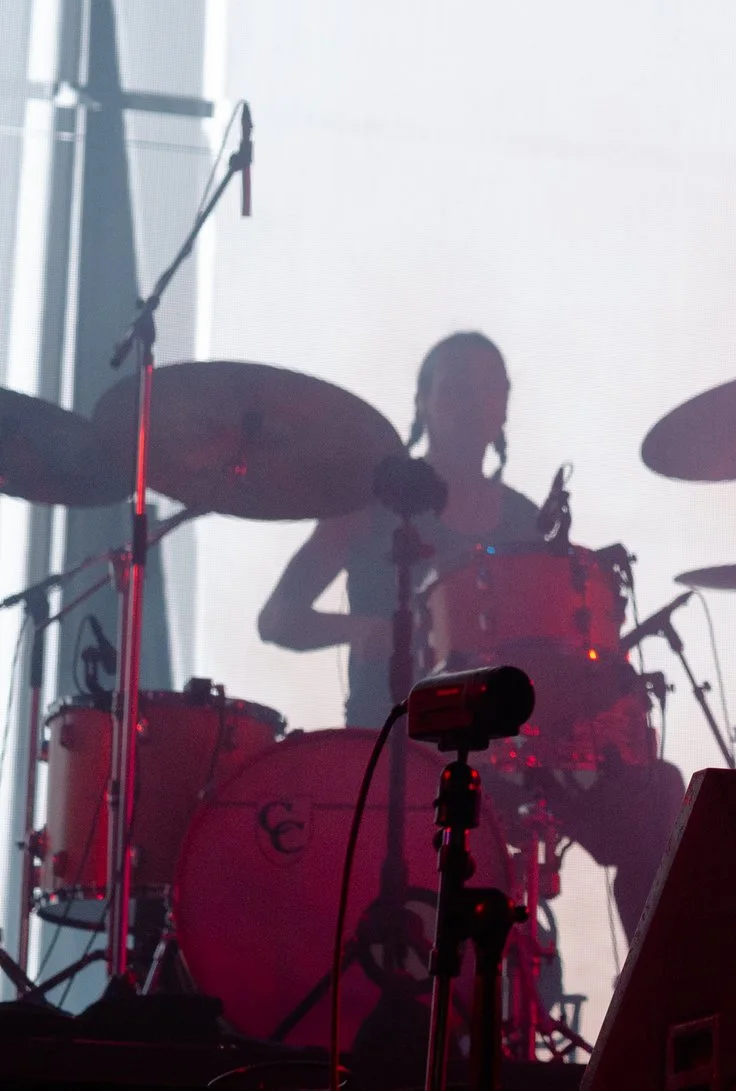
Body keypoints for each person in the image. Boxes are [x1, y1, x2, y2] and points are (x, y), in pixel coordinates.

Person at [257, 331, 684, 936]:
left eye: (488, 388)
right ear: (424, 401)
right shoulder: (370, 504)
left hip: (509, 756)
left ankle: (651, 998)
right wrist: (365, 629)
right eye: (455, 387)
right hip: (400, 743)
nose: (472, 402)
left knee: (656, 798)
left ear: (505, 406)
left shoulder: (522, 519)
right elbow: (277, 619)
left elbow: (547, 657)